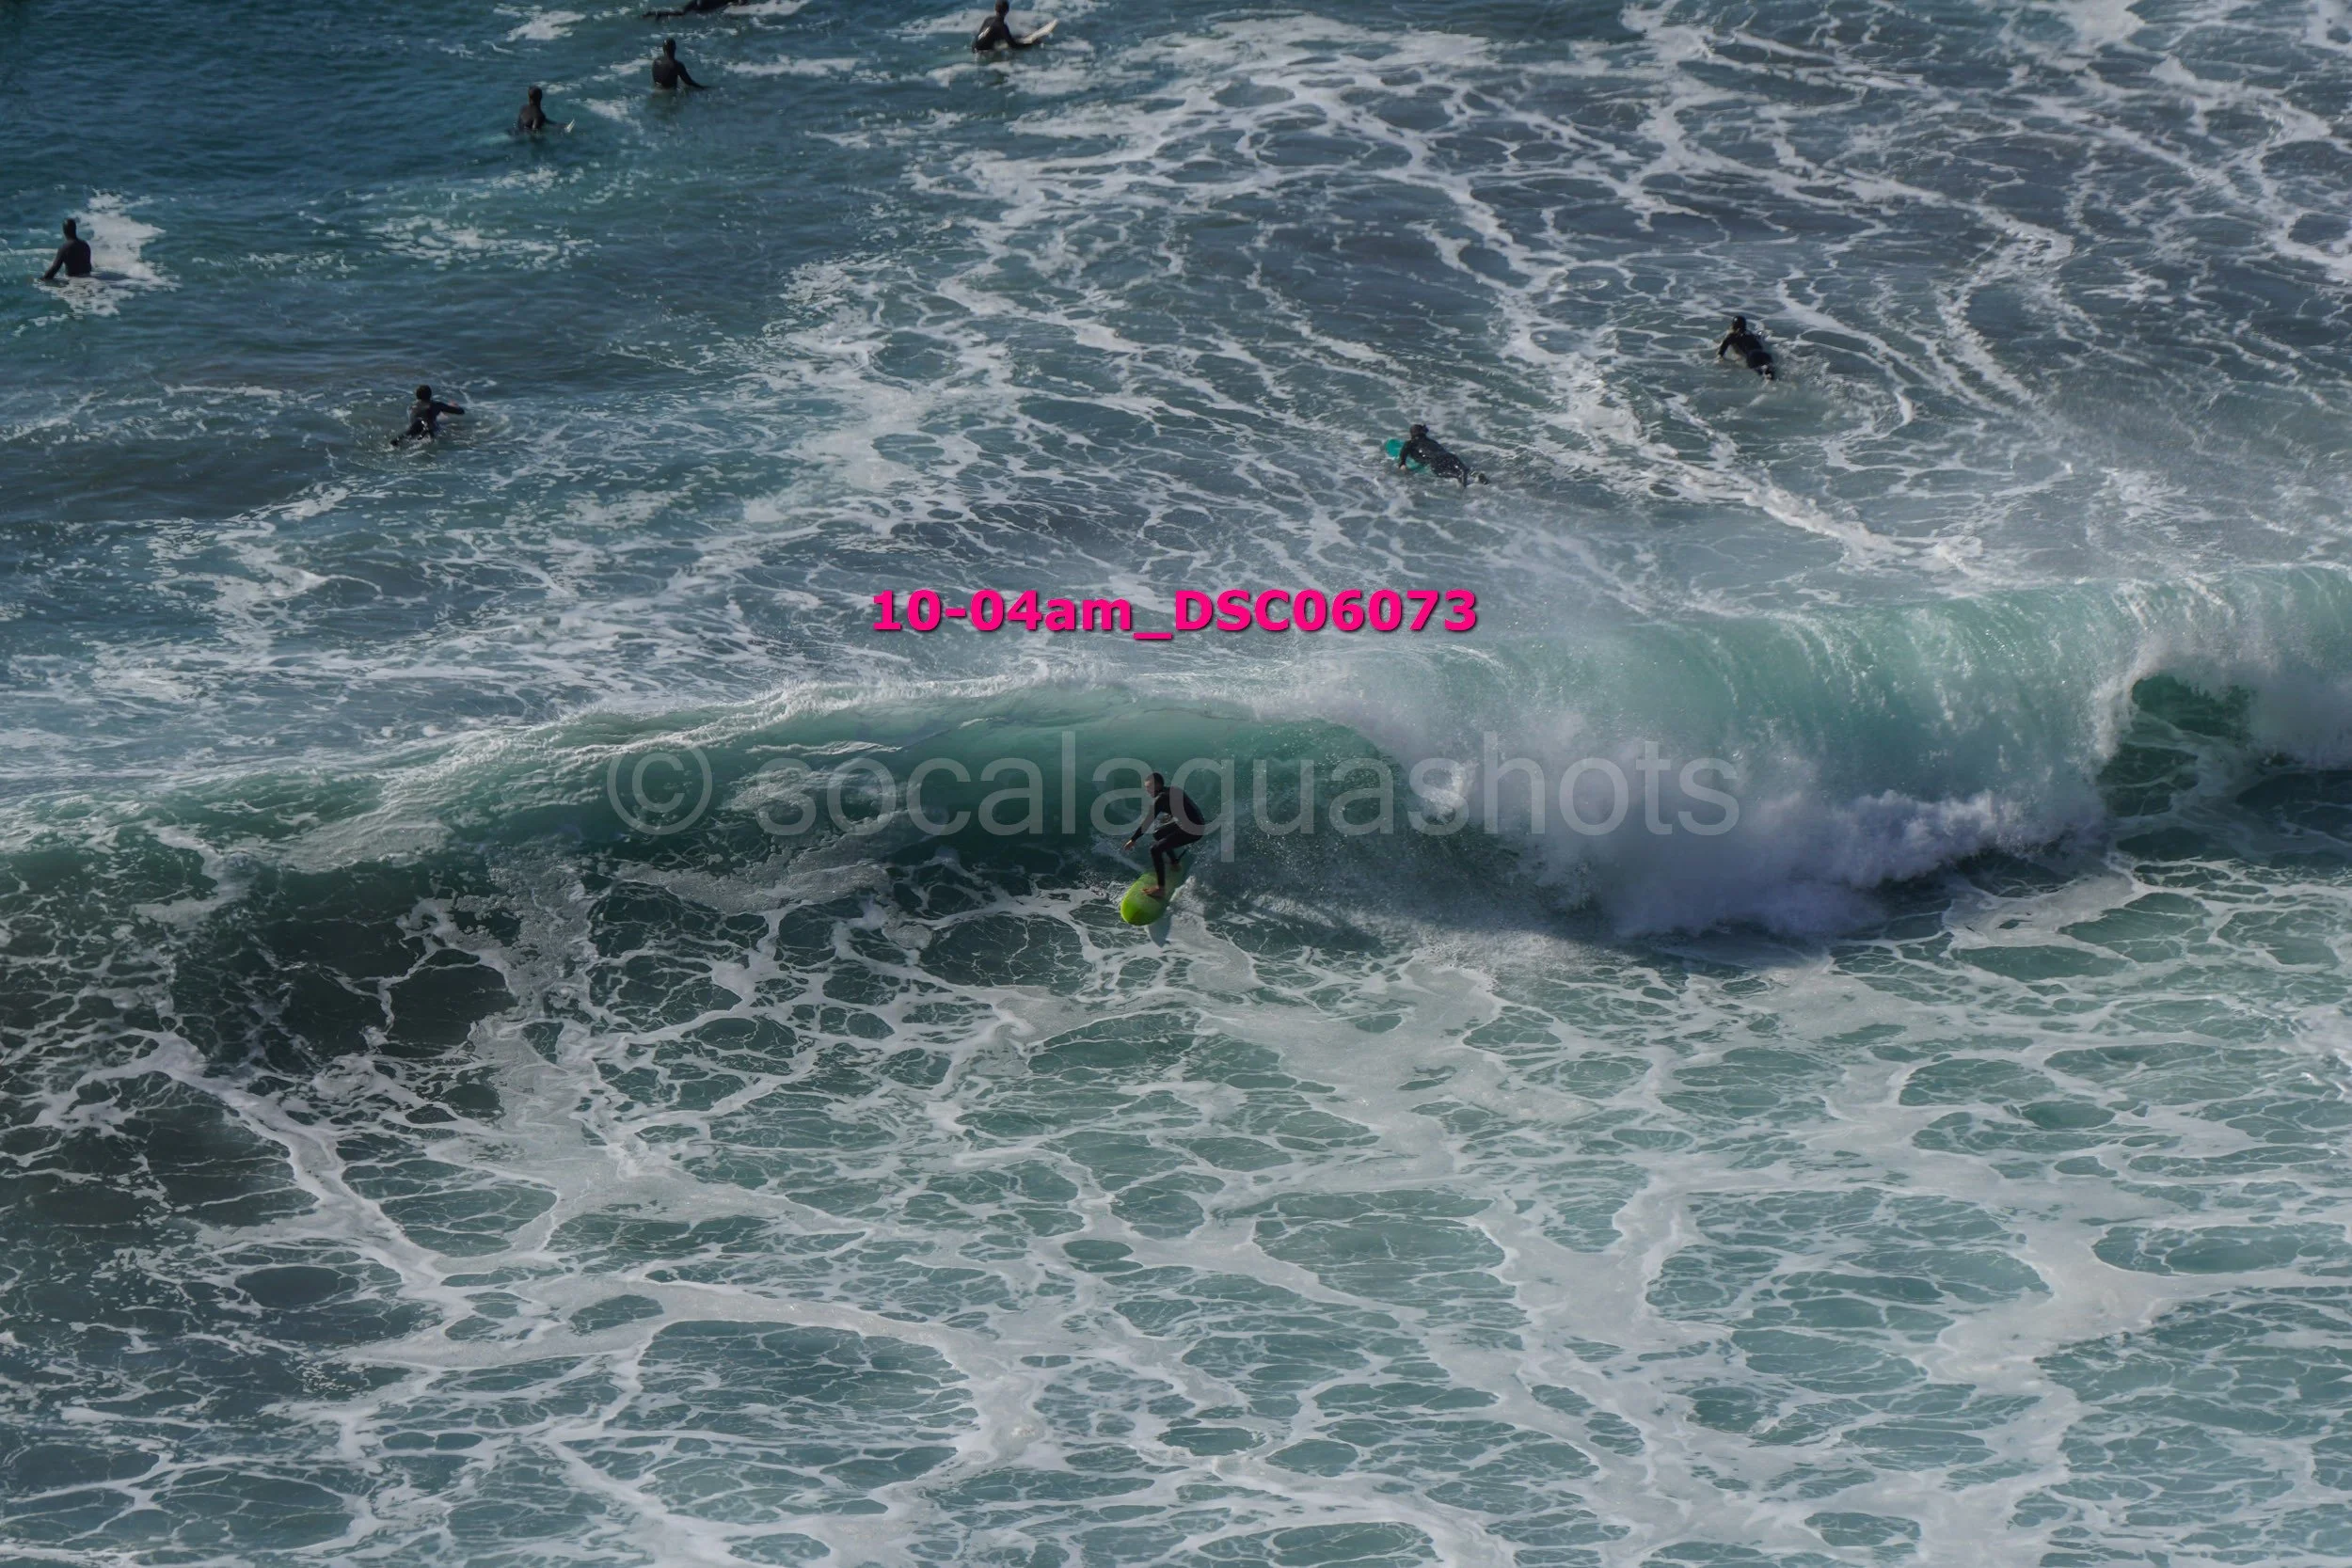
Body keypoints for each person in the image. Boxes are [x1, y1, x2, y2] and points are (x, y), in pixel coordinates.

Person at [1123, 772, 1206, 896]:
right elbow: (1186, 806)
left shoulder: (1161, 798)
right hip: (1196, 824)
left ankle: (1160, 888)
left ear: (1158, 785)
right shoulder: (1173, 790)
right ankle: (1174, 862)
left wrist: (1133, 839)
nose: (1148, 791)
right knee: (1158, 834)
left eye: (1149, 788)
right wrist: (1171, 815)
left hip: (1193, 829)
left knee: (1155, 849)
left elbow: (1147, 822)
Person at [1395, 423, 1486, 487]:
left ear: (1411, 434)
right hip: (1450, 456)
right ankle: (1474, 475)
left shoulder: (1409, 443)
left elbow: (1402, 456)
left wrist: (1402, 465)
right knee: (1464, 470)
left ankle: (1459, 480)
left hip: (1435, 461)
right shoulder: (1432, 441)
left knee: (1446, 473)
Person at [391, 386, 466, 447]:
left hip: (416, 425)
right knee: (432, 441)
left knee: (396, 441)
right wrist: (454, 406)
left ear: (417, 396)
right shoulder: (437, 405)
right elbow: (461, 412)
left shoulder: (412, 407)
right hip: (430, 426)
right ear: (430, 395)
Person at [1717, 314, 1775, 381]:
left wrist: (1719, 359)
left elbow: (1721, 351)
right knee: (1771, 375)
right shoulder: (1751, 334)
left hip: (1752, 355)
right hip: (1764, 354)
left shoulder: (1732, 336)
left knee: (1765, 377)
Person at [972, 0, 1039, 52]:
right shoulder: (1002, 26)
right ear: (1007, 11)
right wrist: (1031, 44)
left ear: (995, 8)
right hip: (984, 53)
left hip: (974, 47)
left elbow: (991, 34)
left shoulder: (988, 19)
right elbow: (1013, 46)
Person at [40, 219, 92, 283]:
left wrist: (42, 280)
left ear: (64, 231)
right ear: (75, 229)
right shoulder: (85, 245)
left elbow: (55, 268)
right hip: (89, 279)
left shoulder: (65, 247)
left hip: (74, 281)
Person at [644, 0, 745, 17]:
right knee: (683, 14)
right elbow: (742, 3)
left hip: (698, 1)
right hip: (706, 5)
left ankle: (658, 13)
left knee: (682, 12)